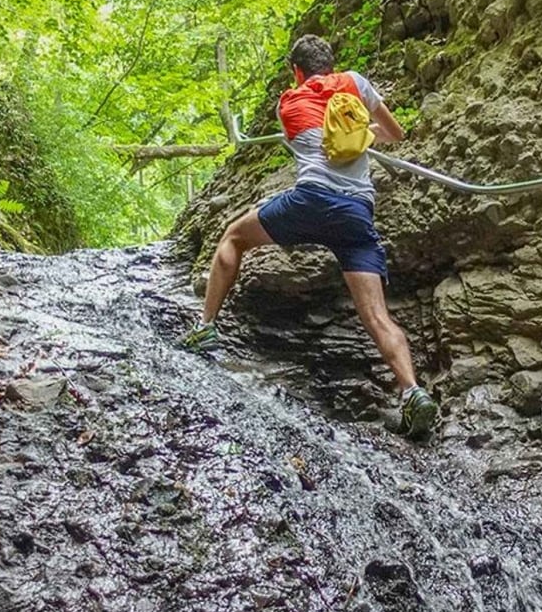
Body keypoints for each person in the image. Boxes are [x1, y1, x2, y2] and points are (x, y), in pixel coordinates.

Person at [180, 34, 440, 440]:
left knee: (233, 237)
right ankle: (412, 391)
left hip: (310, 201)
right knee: (376, 316)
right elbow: (395, 134)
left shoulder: (289, 102)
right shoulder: (356, 83)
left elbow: (307, 144)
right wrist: (363, 132)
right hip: (356, 213)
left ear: (297, 71)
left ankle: (206, 326)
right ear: (332, 65)